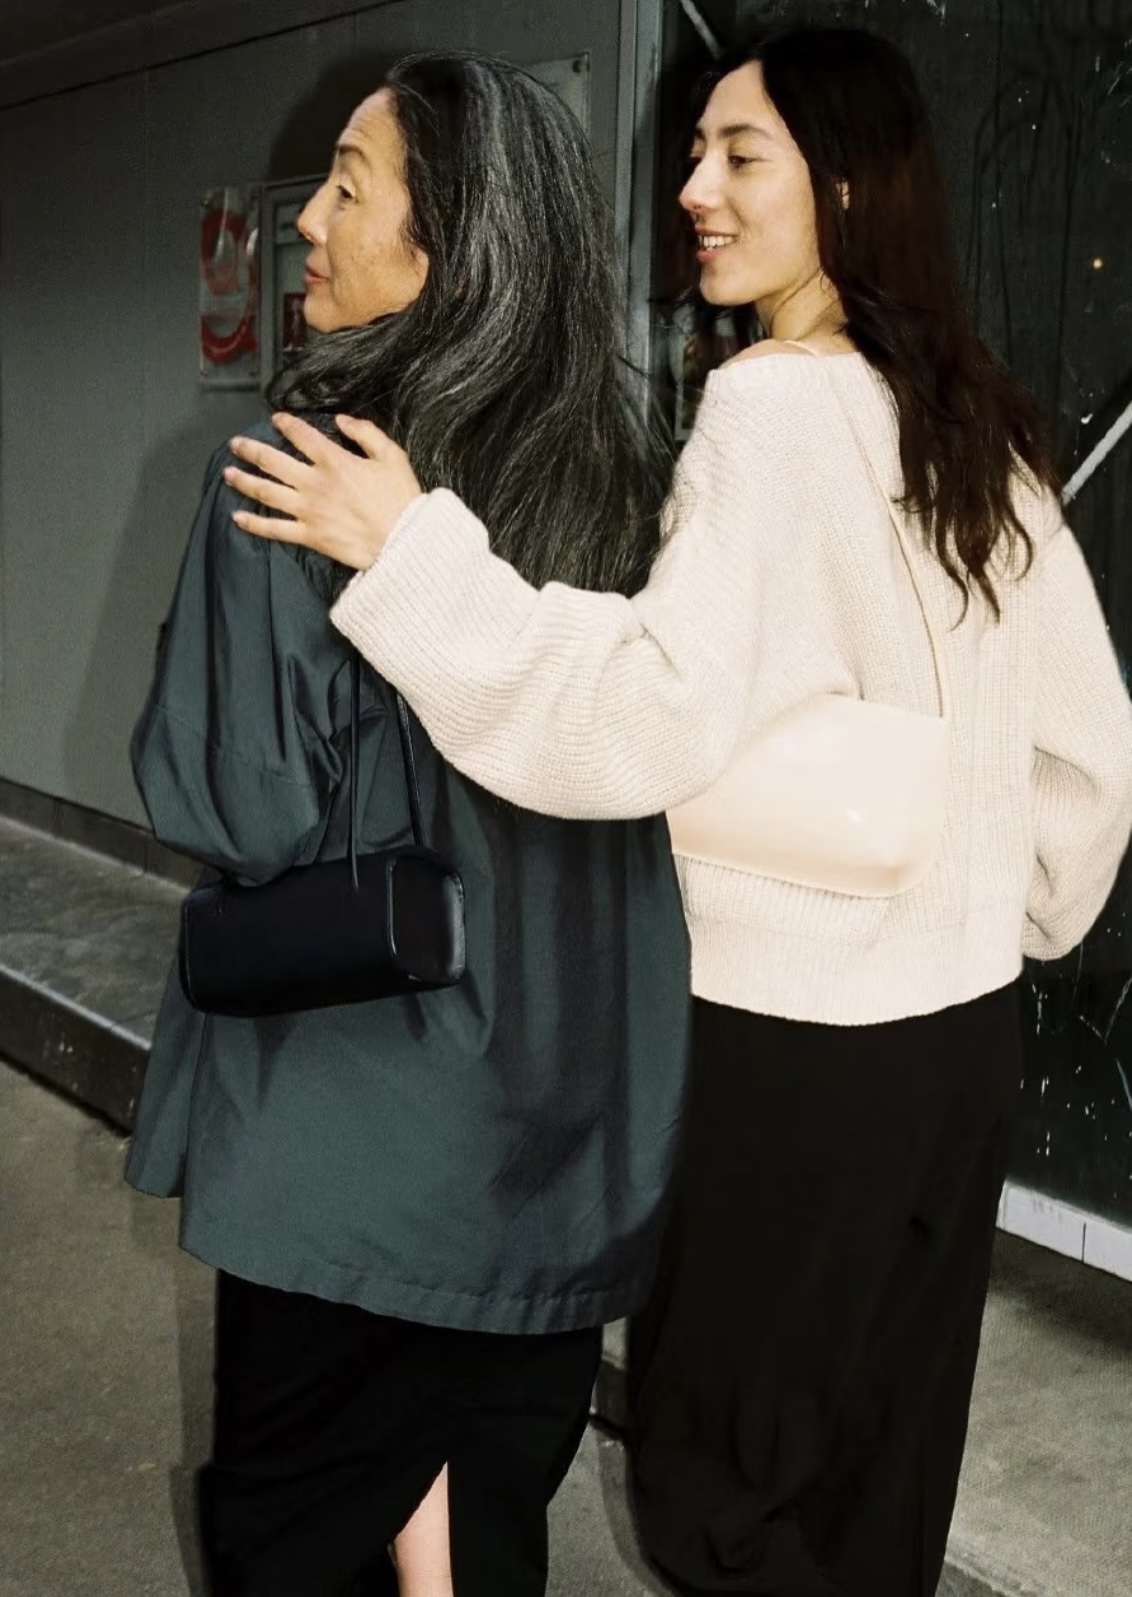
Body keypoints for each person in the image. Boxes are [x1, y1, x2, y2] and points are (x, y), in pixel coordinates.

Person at [226, 24, 1132, 1597]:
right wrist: (1004, 907)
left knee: (725, 1482)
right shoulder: (981, 419)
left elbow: (646, 711)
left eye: (739, 155)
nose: (695, 188)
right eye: (697, 152)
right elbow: (1088, 753)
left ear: (844, 185)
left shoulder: (771, 410)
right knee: (879, 1474)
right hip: (964, 1042)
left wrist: (413, 557)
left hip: (795, 1044)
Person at [127, 52, 693, 1597]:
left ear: (441, 249)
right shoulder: (625, 481)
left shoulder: (297, 470)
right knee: (471, 1549)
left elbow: (235, 804)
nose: (308, 219)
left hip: (358, 1138)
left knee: (301, 1542)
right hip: (565, 1134)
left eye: (349, 187)